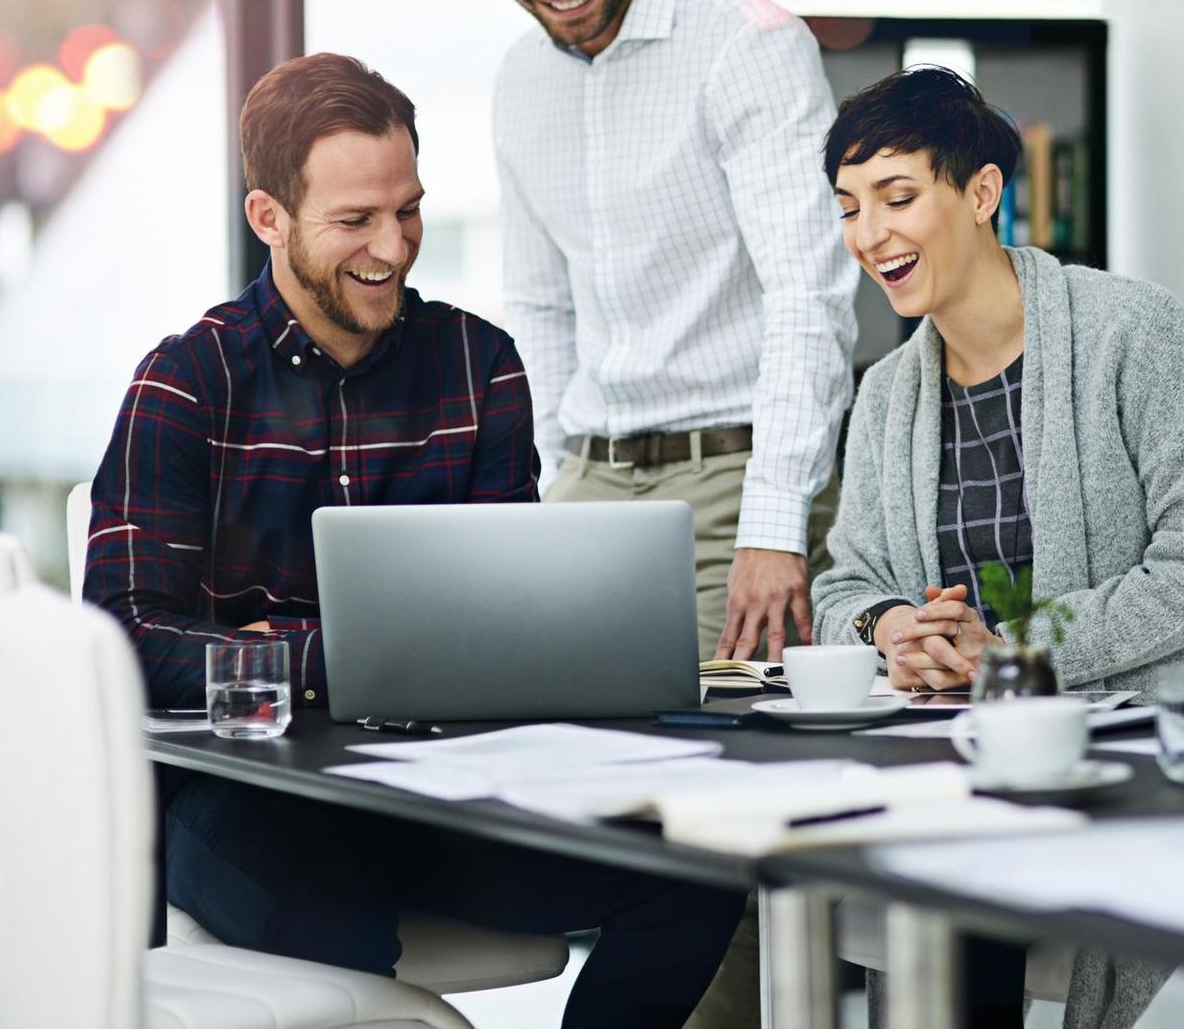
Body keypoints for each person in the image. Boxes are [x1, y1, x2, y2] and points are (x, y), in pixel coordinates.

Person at [84, 53, 745, 1029]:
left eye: (410, 209)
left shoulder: (479, 366)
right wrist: (341, 655)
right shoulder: (189, 382)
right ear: (269, 217)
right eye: (355, 220)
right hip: (251, 805)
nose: (393, 246)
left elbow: (504, 622)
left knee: (697, 870)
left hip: (448, 793)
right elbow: (124, 643)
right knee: (334, 916)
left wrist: (279, 647)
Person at [811, 65, 1184, 1028]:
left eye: (898, 198)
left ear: (983, 193)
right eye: (849, 208)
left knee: (955, 875)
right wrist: (893, 625)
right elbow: (845, 584)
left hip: (1165, 748)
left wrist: (1020, 654)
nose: (871, 235)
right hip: (987, 760)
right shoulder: (885, 397)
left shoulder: (1133, 333)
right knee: (933, 873)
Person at [463, 0, 857, 667]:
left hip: (733, 472)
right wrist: (549, 478)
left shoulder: (744, 44)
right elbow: (540, 306)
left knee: (702, 738)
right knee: (515, 714)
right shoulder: (519, 82)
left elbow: (811, 294)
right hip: (591, 476)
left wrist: (775, 524)